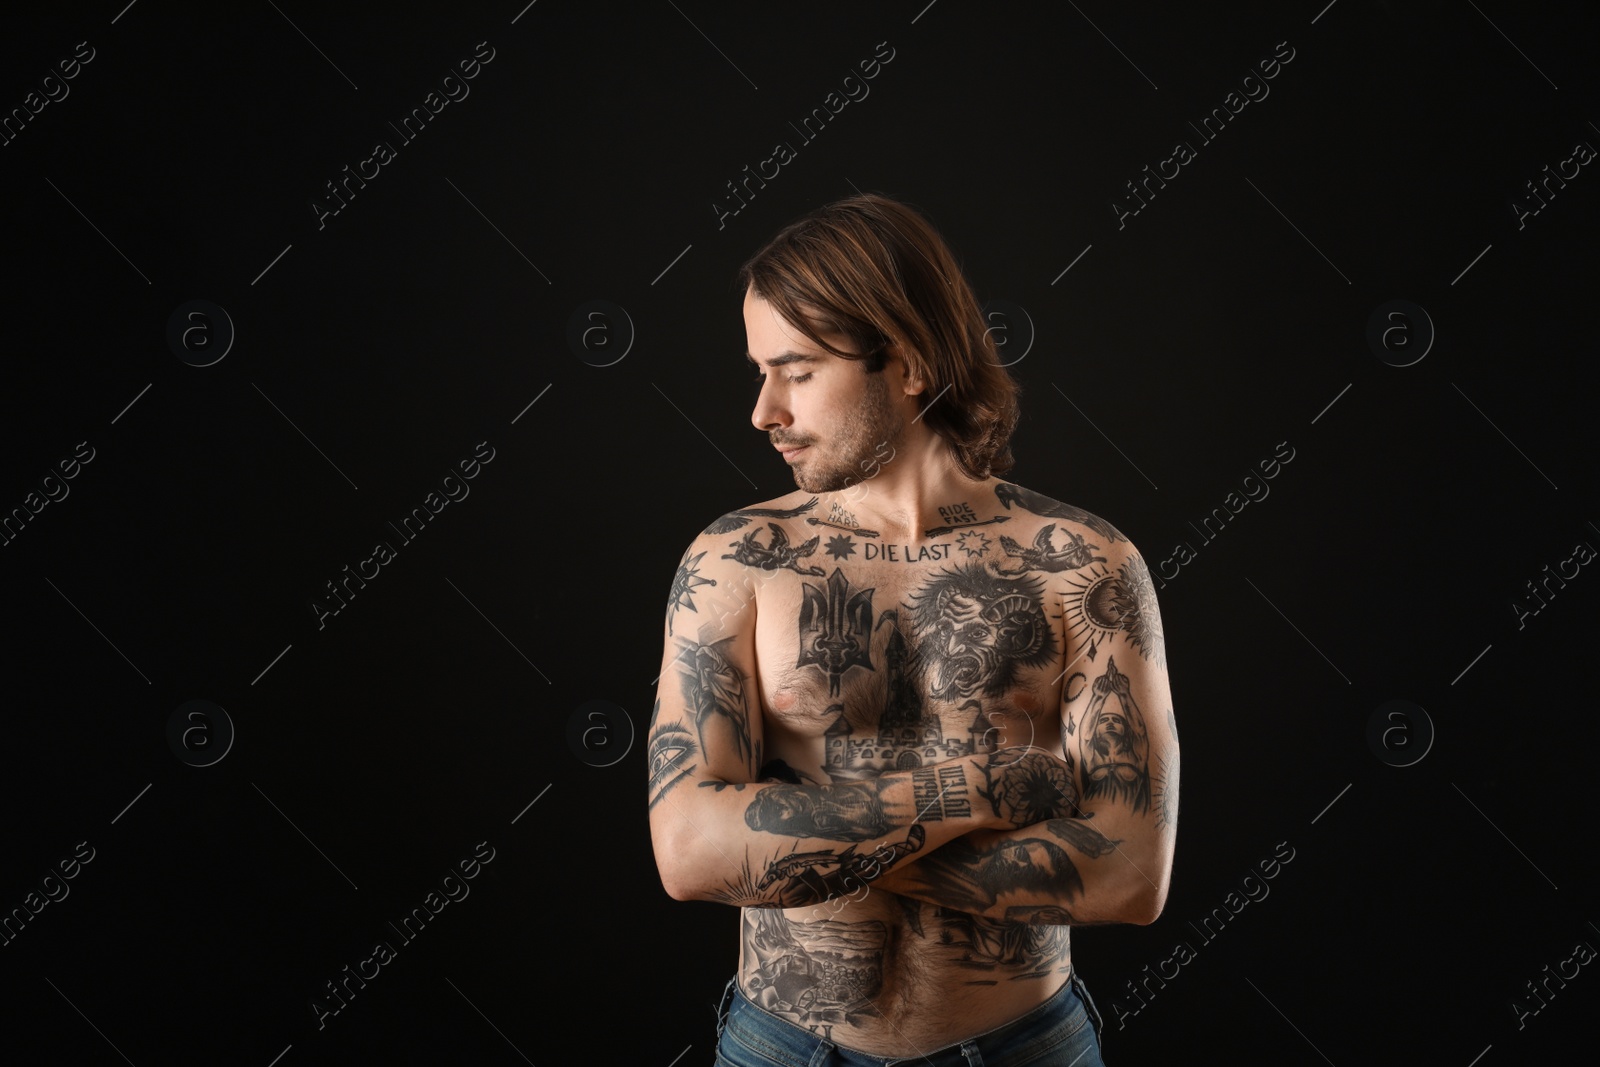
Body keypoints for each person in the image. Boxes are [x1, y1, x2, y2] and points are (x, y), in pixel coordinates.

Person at [648, 193, 1177, 1066]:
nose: (763, 411)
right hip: (786, 1047)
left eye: (799, 369)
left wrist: (793, 843)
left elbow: (1130, 875)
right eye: (759, 371)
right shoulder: (739, 559)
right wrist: (978, 789)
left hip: (1021, 1047)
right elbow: (690, 853)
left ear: (910, 361)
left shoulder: (1083, 565)